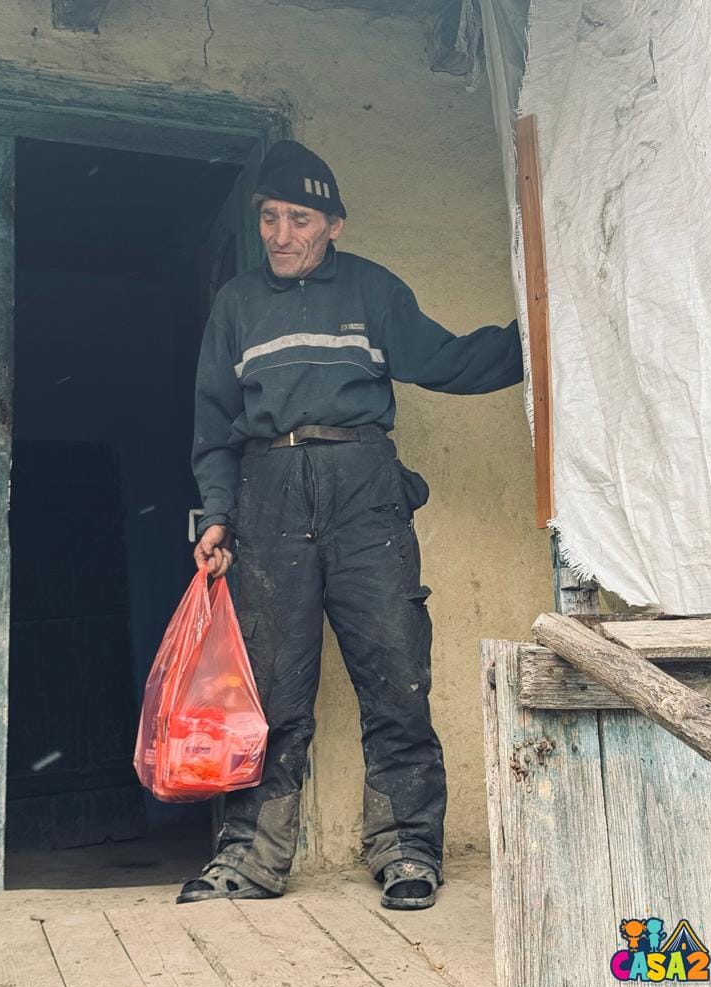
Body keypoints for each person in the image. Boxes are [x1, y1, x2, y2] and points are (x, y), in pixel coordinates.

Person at [177, 140, 522, 910]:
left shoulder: (372, 289)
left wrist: (537, 336)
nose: (281, 235)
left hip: (363, 489)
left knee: (395, 672)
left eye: (299, 219)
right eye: (269, 217)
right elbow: (213, 425)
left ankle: (405, 848)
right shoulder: (236, 304)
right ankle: (252, 858)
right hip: (267, 491)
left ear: (334, 224)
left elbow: (449, 361)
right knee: (270, 687)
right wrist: (219, 513)